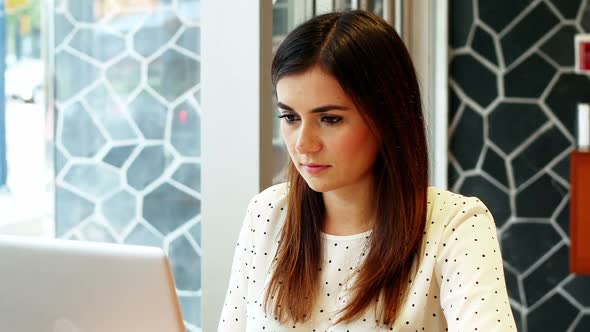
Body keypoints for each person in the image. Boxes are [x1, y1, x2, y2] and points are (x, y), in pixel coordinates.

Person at [218, 10, 516, 331]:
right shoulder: (266, 214)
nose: (303, 144)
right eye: (290, 118)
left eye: (330, 119)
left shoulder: (456, 225)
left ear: (386, 118)